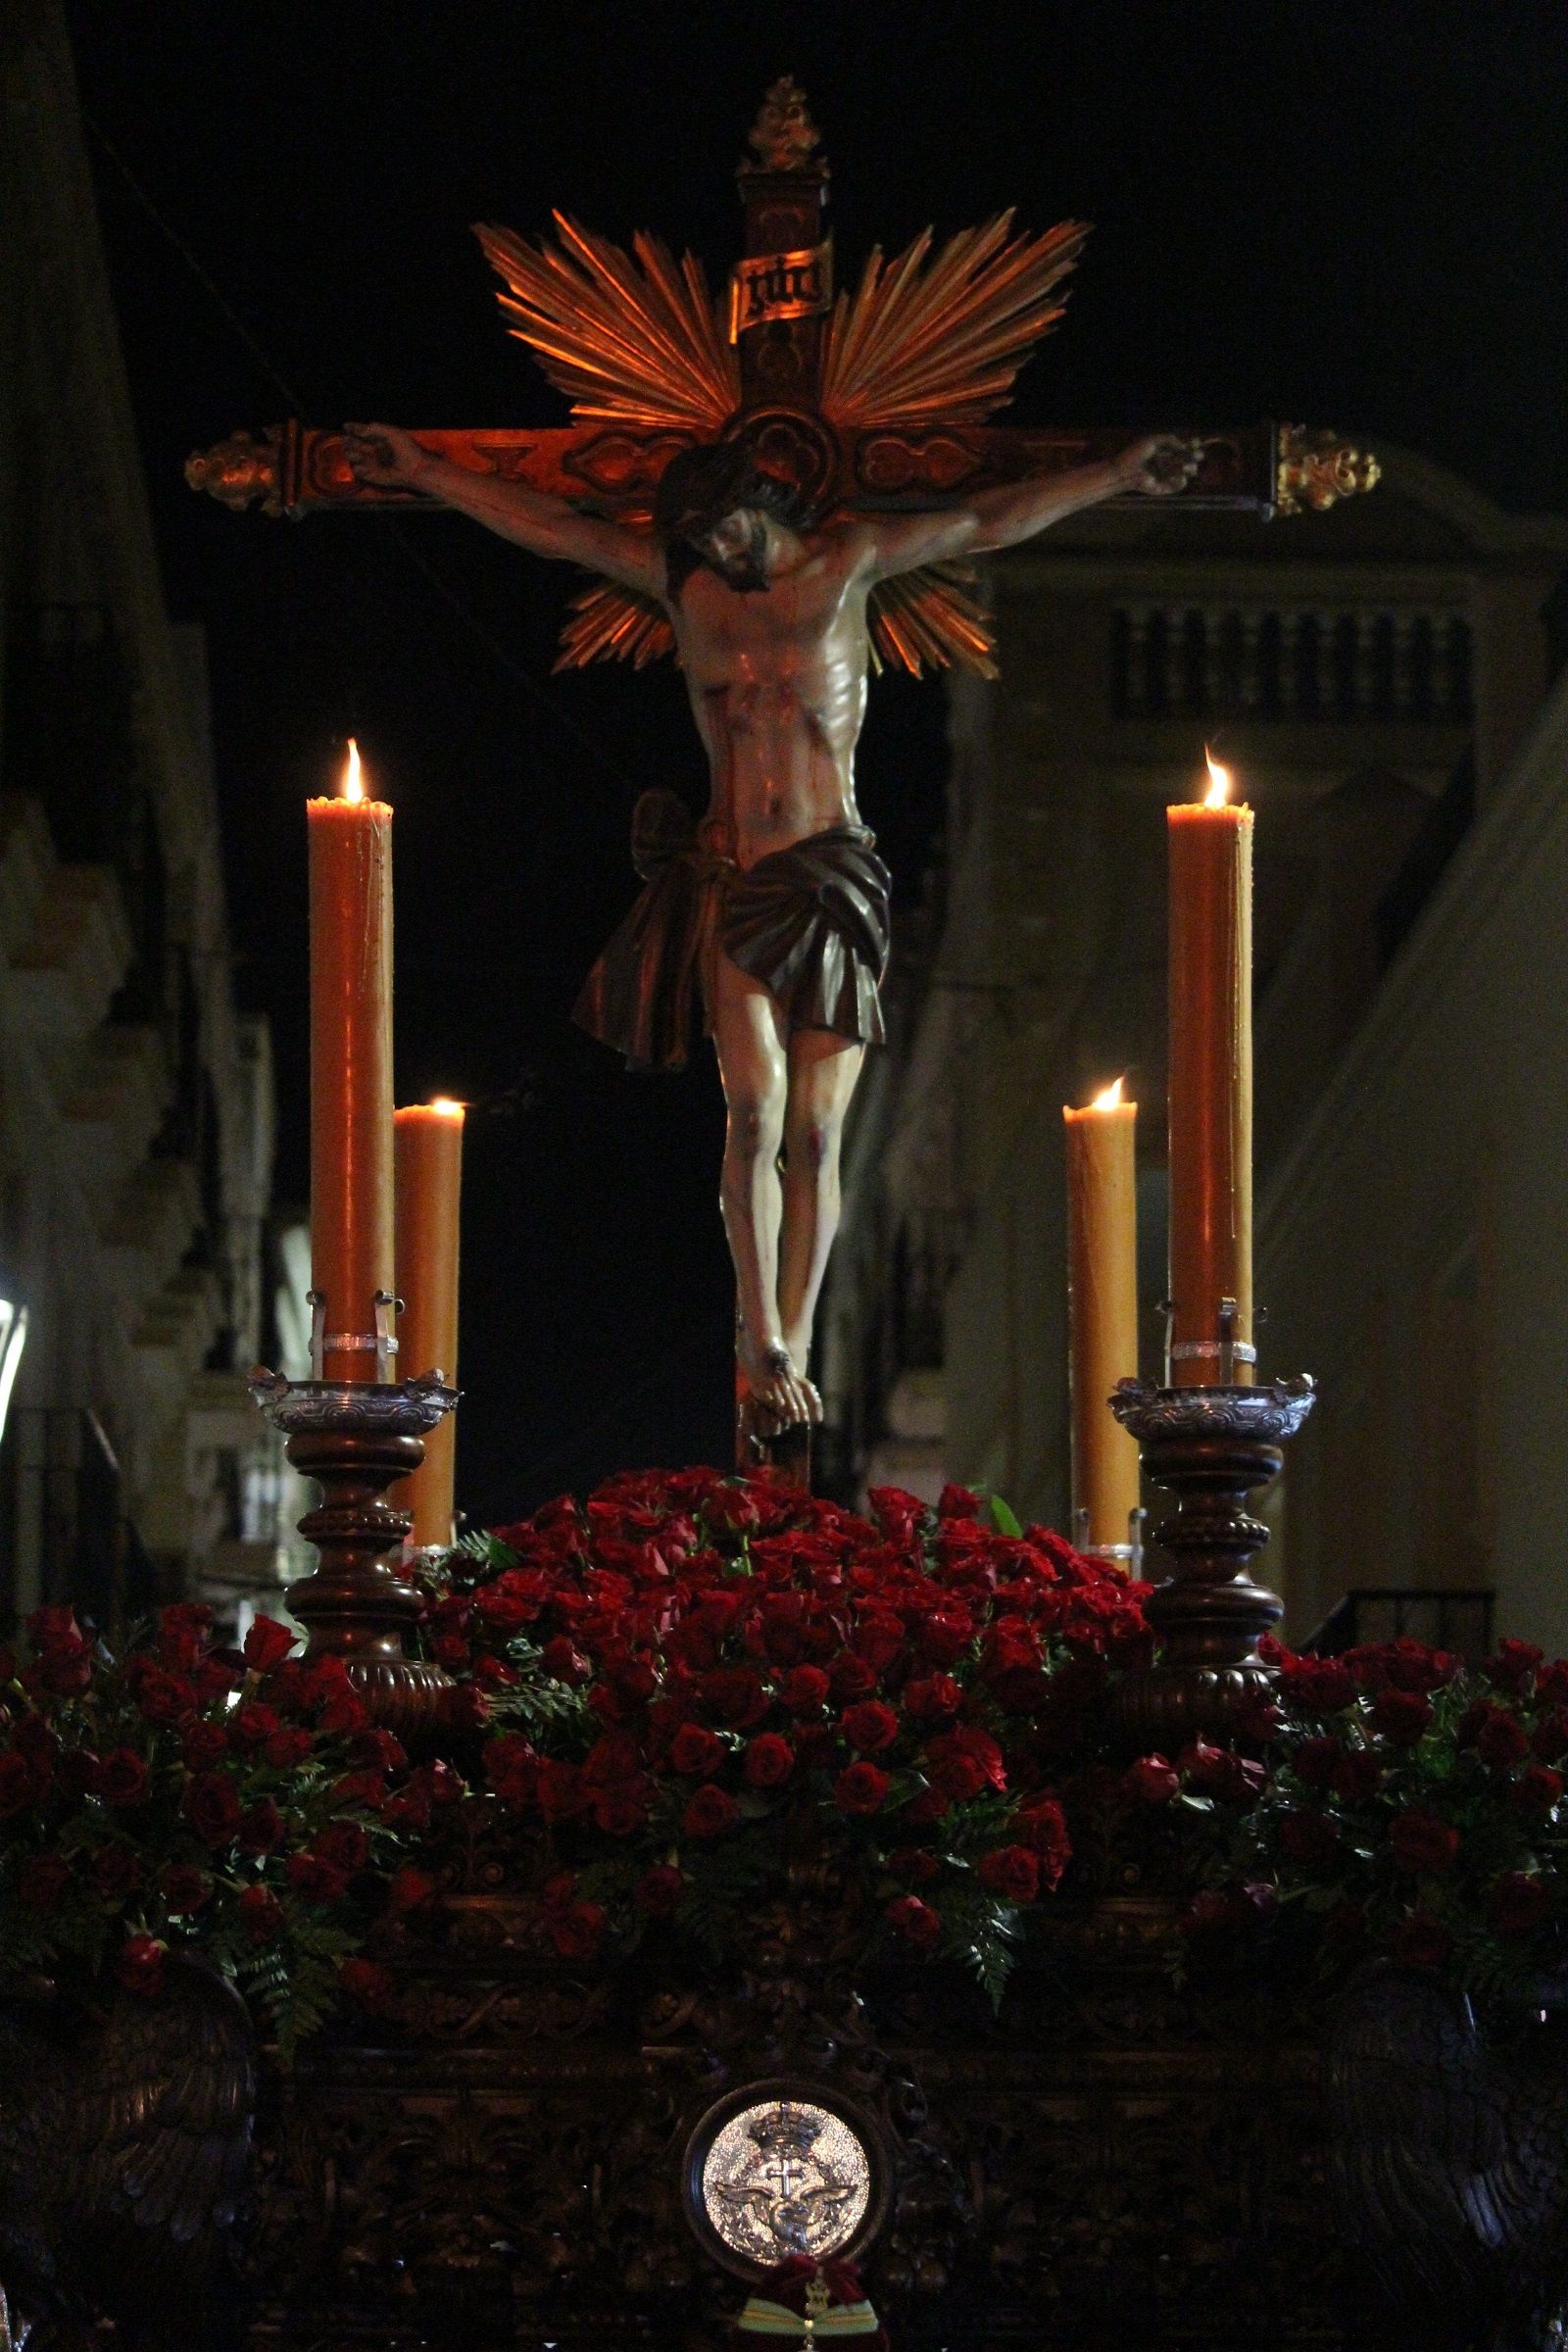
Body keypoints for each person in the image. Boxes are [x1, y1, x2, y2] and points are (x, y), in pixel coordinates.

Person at [344, 421, 1198, 1434]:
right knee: (751, 1112)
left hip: (830, 873)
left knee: (818, 1131)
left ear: (765, 500)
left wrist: (1113, 472)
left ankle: (798, 1327)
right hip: (733, 876)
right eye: (700, 537)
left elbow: (982, 519)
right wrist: (427, 472)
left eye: (728, 529)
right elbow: (558, 528)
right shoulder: (689, 589)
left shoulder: (848, 564)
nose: (719, 550)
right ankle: (765, 1344)